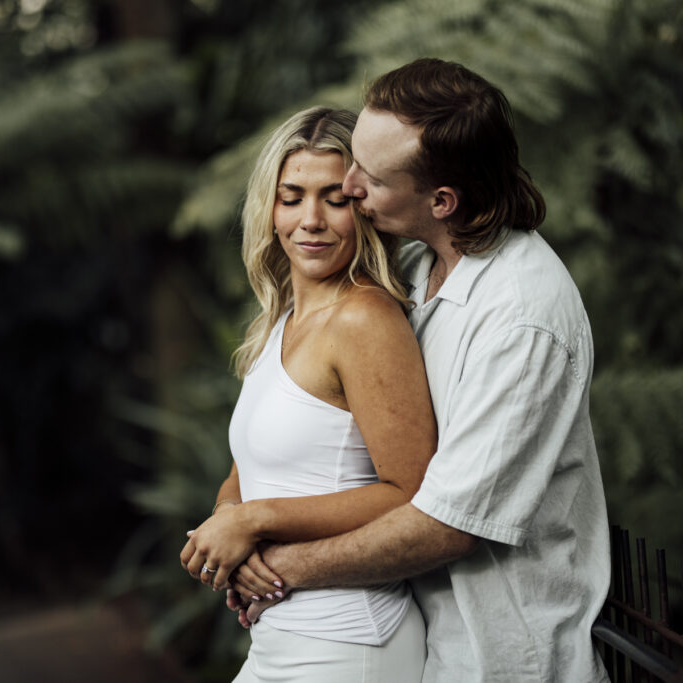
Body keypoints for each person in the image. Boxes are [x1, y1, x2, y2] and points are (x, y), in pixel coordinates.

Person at [228, 58, 612, 682]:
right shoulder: (412, 269)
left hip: (499, 654)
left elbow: (446, 523)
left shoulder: (521, 316)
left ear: (442, 200)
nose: (348, 185)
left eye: (369, 179)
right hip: (421, 637)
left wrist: (274, 568)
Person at [178, 106, 438, 682]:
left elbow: (412, 491)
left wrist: (255, 521)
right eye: (291, 196)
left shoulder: (364, 318)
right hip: (282, 636)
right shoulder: (283, 320)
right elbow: (250, 465)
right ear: (268, 209)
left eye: (335, 198)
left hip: (349, 641)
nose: (311, 219)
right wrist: (230, 521)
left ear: (362, 206)